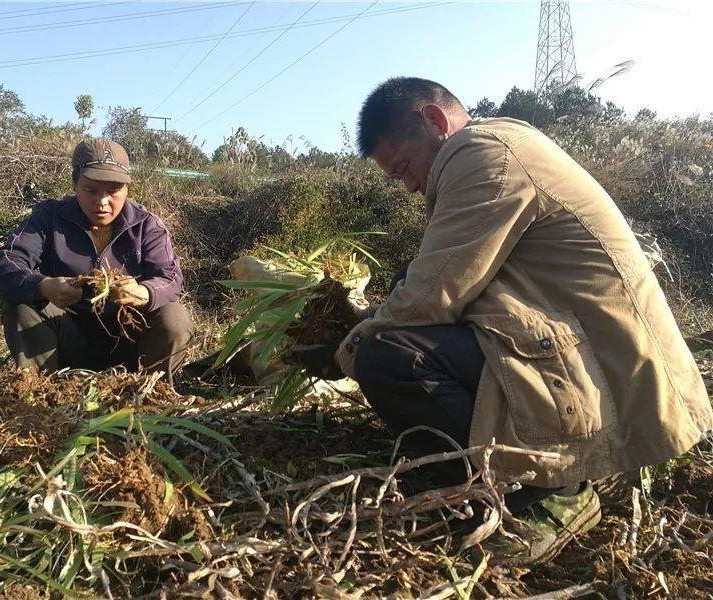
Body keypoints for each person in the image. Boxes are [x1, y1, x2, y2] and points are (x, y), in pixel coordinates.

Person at [296, 77, 712, 564]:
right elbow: (436, 279)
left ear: (434, 120)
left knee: (387, 358)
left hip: (608, 372)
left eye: (404, 167)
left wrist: (348, 346)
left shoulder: (482, 155)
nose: (408, 185)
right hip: (579, 355)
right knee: (398, 305)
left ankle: (551, 492)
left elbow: (437, 291)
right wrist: (368, 319)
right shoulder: (499, 146)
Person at [0, 138, 192, 380]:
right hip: (68, 342)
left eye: (113, 191)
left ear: (127, 189)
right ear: (75, 185)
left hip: (130, 346)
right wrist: (43, 286)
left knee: (174, 316)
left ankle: (150, 393)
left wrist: (144, 293)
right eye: (91, 190)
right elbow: (5, 263)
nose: (102, 201)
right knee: (20, 304)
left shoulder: (146, 224)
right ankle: (41, 392)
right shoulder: (48, 217)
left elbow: (170, 278)